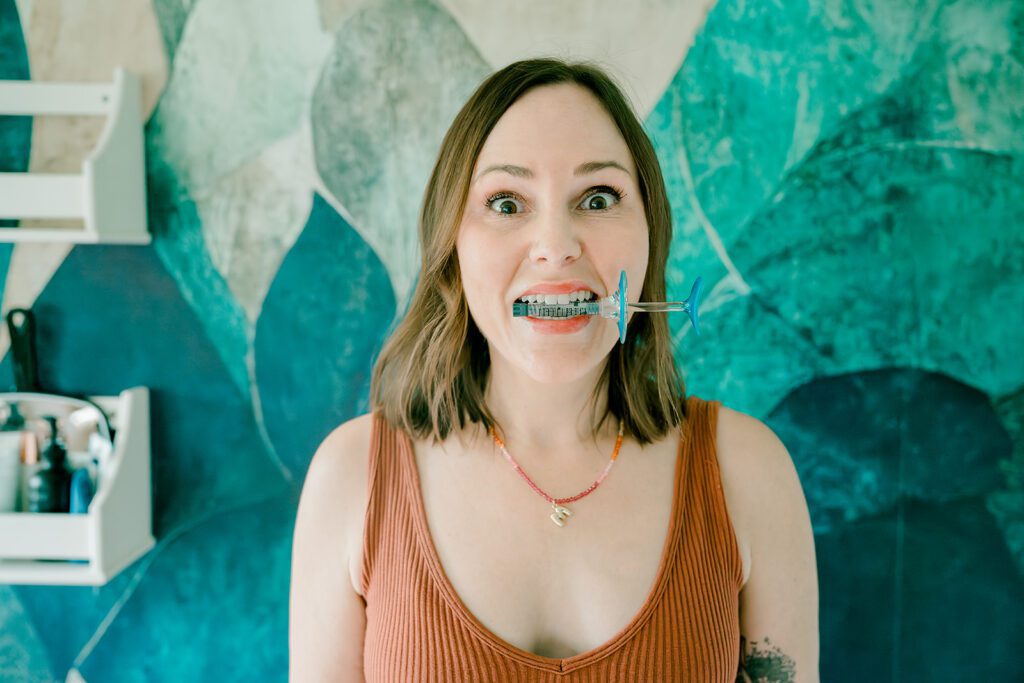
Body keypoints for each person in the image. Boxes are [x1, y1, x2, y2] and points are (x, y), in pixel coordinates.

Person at [290, 58, 819, 682]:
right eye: (506, 202)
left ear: (651, 232)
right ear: (452, 243)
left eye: (598, 198)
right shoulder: (351, 479)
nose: (556, 246)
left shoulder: (748, 474)